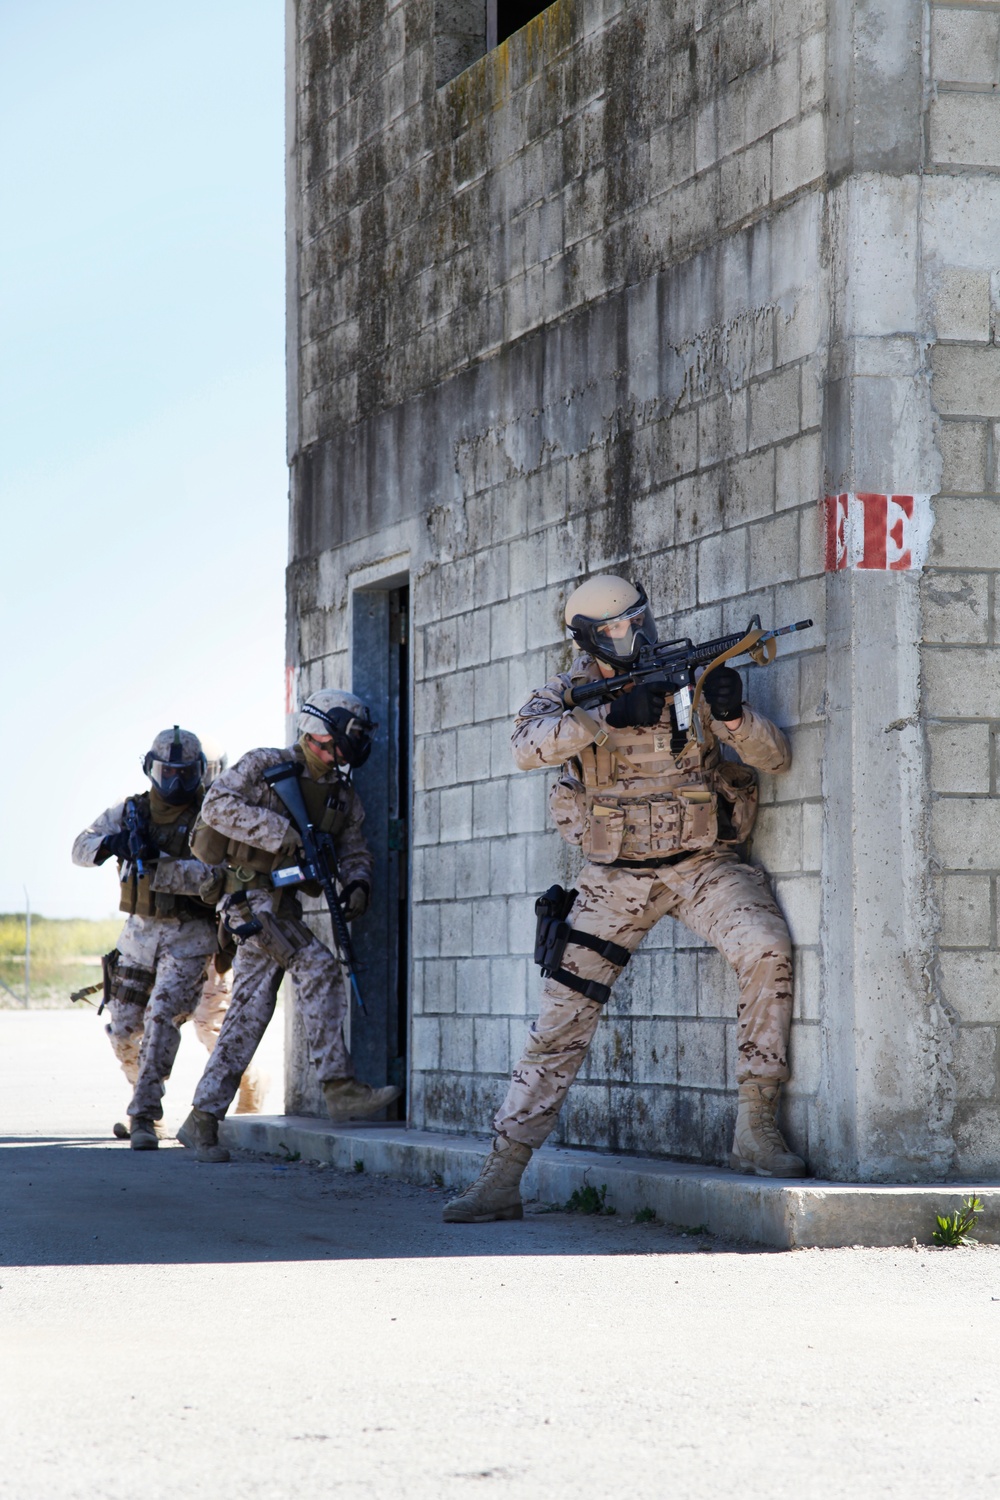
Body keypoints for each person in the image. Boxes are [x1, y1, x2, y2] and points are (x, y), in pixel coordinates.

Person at [444, 575, 803, 1224]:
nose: (632, 634)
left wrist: (733, 718)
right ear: (587, 640)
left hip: (700, 863)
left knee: (767, 947)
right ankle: (501, 1175)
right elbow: (525, 746)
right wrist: (602, 716)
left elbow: (776, 757)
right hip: (615, 877)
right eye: (614, 629)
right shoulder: (565, 692)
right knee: (560, 1021)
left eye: (637, 620)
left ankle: (756, 1125)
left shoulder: (688, 674)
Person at [177, 689, 400, 1163]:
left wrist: (358, 883)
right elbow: (216, 807)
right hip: (246, 900)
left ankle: (202, 1119)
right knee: (316, 965)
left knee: (247, 1016)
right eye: (352, 733)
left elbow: (355, 848)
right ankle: (338, 1087)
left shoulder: (341, 795)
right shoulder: (265, 764)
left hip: (282, 908)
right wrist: (285, 835)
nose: (357, 743)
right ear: (326, 731)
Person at [72, 726, 262, 1149]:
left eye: (184, 773)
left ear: (199, 773)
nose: (174, 782)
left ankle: (145, 1114)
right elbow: (79, 848)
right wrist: (113, 843)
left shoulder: (212, 816)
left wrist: (160, 868)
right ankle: (141, 1094)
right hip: (138, 938)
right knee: (122, 1029)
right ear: (149, 769)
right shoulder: (131, 811)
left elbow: (217, 876)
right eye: (166, 772)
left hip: (191, 937)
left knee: (168, 1020)